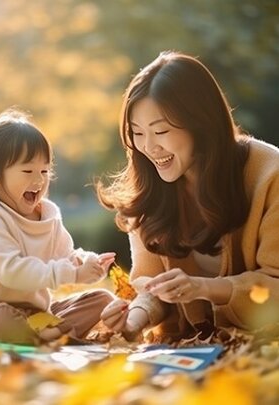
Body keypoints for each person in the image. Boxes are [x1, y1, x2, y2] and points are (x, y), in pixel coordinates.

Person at [98, 51, 279, 342]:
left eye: (160, 131)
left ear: (201, 123)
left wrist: (205, 288)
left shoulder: (270, 175)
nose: (149, 147)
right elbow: (152, 286)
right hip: (195, 351)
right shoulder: (149, 187)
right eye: (138, 133)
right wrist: (133, 319)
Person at [0, 109, 115, 344]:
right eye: (27, 171)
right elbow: (12, 271)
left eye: (45, 171)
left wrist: (88, 263)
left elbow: (67, 255)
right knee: (0, 319)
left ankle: (45, 335)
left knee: (102, 299)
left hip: (33, 313)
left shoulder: (49, 215)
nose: (39, 180)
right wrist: (71, 273)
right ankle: (52, 336)